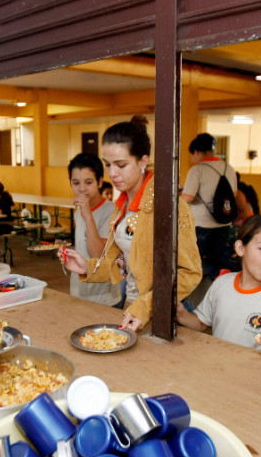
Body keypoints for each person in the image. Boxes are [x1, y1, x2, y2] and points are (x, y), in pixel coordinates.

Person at [60, 115, 202, 331]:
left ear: (142, 162)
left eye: (121, 165)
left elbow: (190, 273)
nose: (112, 174)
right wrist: (87, 267)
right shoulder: (122, 204)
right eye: (107, 165)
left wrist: (145, 305)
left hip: (162, 314)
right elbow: (120, 263)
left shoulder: (169, 206)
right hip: (132, 308)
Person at [176, 215, 261, 359]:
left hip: (255, 378)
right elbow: (200, 323)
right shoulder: (221, 284)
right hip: (218, 370)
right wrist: (181, 314)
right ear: (240, 248)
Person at [180, 133, 240, 279]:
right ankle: (230, 272)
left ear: (197, 152)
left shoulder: (197, 170)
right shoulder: (229, 168)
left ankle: (216, 273)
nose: (192, 159)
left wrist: (180, 194)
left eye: (192, 155)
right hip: (224, 222)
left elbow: (188, 198)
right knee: (217, 255)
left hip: (202, 224)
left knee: (192, 257)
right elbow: (234, 194)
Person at [68, 154, 122, 307]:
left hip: (104, 298)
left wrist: (88, 215)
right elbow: (83, 247)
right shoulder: (78, 211)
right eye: (76, 182)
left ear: (99, 182)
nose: (82, 188)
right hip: (79, 293)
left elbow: (97, 255)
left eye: (88, 182)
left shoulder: (111, 212)